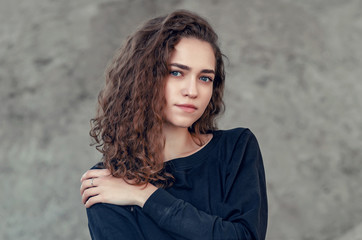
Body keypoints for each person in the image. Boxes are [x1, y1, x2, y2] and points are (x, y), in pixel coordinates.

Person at [80, 10, 267, 240]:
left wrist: (146, 196)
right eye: (177, 73)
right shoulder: (109, 180)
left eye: (205, 78)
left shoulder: (236, 149)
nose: (192, 91)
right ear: (143, 77)